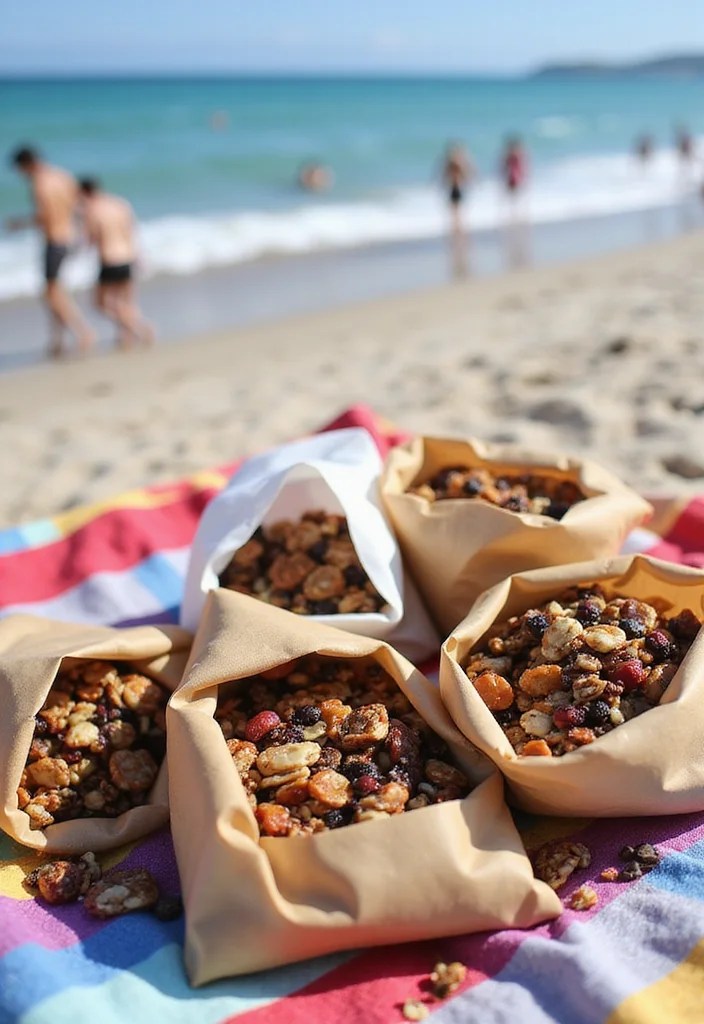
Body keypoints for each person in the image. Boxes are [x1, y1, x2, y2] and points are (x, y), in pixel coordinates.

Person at [7, 145, 95, 358]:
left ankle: (83, 333)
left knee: (52, 293)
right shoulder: (63, 176)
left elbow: (45, 215)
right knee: (55, 290)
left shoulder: (39, 183)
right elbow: (82, 206)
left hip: (55, 240)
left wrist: (20, 223)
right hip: (70, 237)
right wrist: (85, 233)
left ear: (25, 165)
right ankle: (58, 341)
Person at [79, 178, 154, 349]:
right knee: (126, 302)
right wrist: (138, 257)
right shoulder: (120, 204)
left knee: (101, 303)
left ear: (85, 193)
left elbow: (91, 239)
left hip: (109, 259)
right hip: (128, 256)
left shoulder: (92, 210)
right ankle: (125, 336)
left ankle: (140, 327)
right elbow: (131, 231)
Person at [441, 142, 474, 276]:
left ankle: (458, 237)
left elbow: (446, 176)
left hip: (456, 189)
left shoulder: (453, 163)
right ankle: (459, 236)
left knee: (456, 214)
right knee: (457, 214)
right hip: (456, 189)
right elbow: (467, 174)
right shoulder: (456, 162)